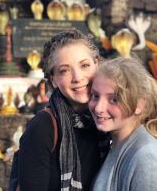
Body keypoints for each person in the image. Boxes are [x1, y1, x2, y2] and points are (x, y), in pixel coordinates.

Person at [17, 29, 110, 191]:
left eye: (85, 65)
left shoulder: (109, 119)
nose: (77, 77)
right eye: (64, 70)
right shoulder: (42, 127)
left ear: (97, 64)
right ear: (53, 79)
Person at [88, 57, 157, 191]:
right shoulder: (116, 144)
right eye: (95, 96)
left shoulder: (146, 157)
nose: (98, 108)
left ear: (140, 104)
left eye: (113, 99)